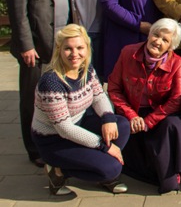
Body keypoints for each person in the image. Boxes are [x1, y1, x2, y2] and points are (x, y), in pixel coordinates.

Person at [31, 24, 130, 196]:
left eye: (79, 48)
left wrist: (108, 118)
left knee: (121, 125)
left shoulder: (86, 69)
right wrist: (104, 147)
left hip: (79, 124)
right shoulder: (51, 82)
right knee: (112, 168)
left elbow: (99, 96)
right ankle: (58, 171)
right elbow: (65, 129)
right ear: (59, 50)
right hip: (54, 139)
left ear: (87, 48)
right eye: (68, 49)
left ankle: (96, 165)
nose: (74, 54)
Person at [6, 0, 71, 167]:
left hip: (61, 43)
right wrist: (26, 45)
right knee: (32, 99)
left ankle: (54, 139)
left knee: (57, 96)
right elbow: (17, 10)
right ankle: (34, 149)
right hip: (35, 45)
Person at [108, 18, 181, 193]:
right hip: (131, 111)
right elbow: (113, 88)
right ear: (149, 34)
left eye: (165, 40)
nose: (158, 41)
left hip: (159, 114)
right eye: (156, 35)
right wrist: (131, 115)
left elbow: (176, 99)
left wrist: (148, 121)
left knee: (174, 124)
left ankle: (172, 171)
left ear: (171, 46)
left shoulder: (177, 63)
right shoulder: (127, 53)